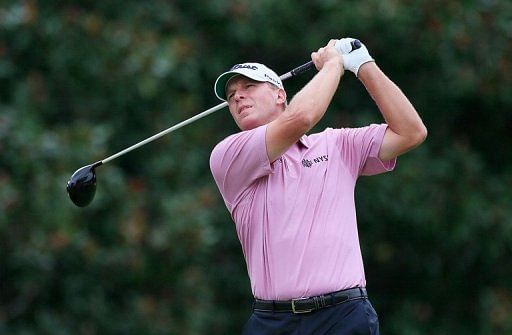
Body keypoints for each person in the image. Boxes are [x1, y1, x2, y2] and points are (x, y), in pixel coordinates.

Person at [209, 38, 427, 335]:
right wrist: (334, 65)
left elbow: (411, 132)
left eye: (249, 87)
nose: (237, 97)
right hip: (273, 323)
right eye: (231, 94)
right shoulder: (228, 155)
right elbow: (301, 118)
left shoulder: (337, 145)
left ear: (279, 95)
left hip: (344, 316)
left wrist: (363, 65)